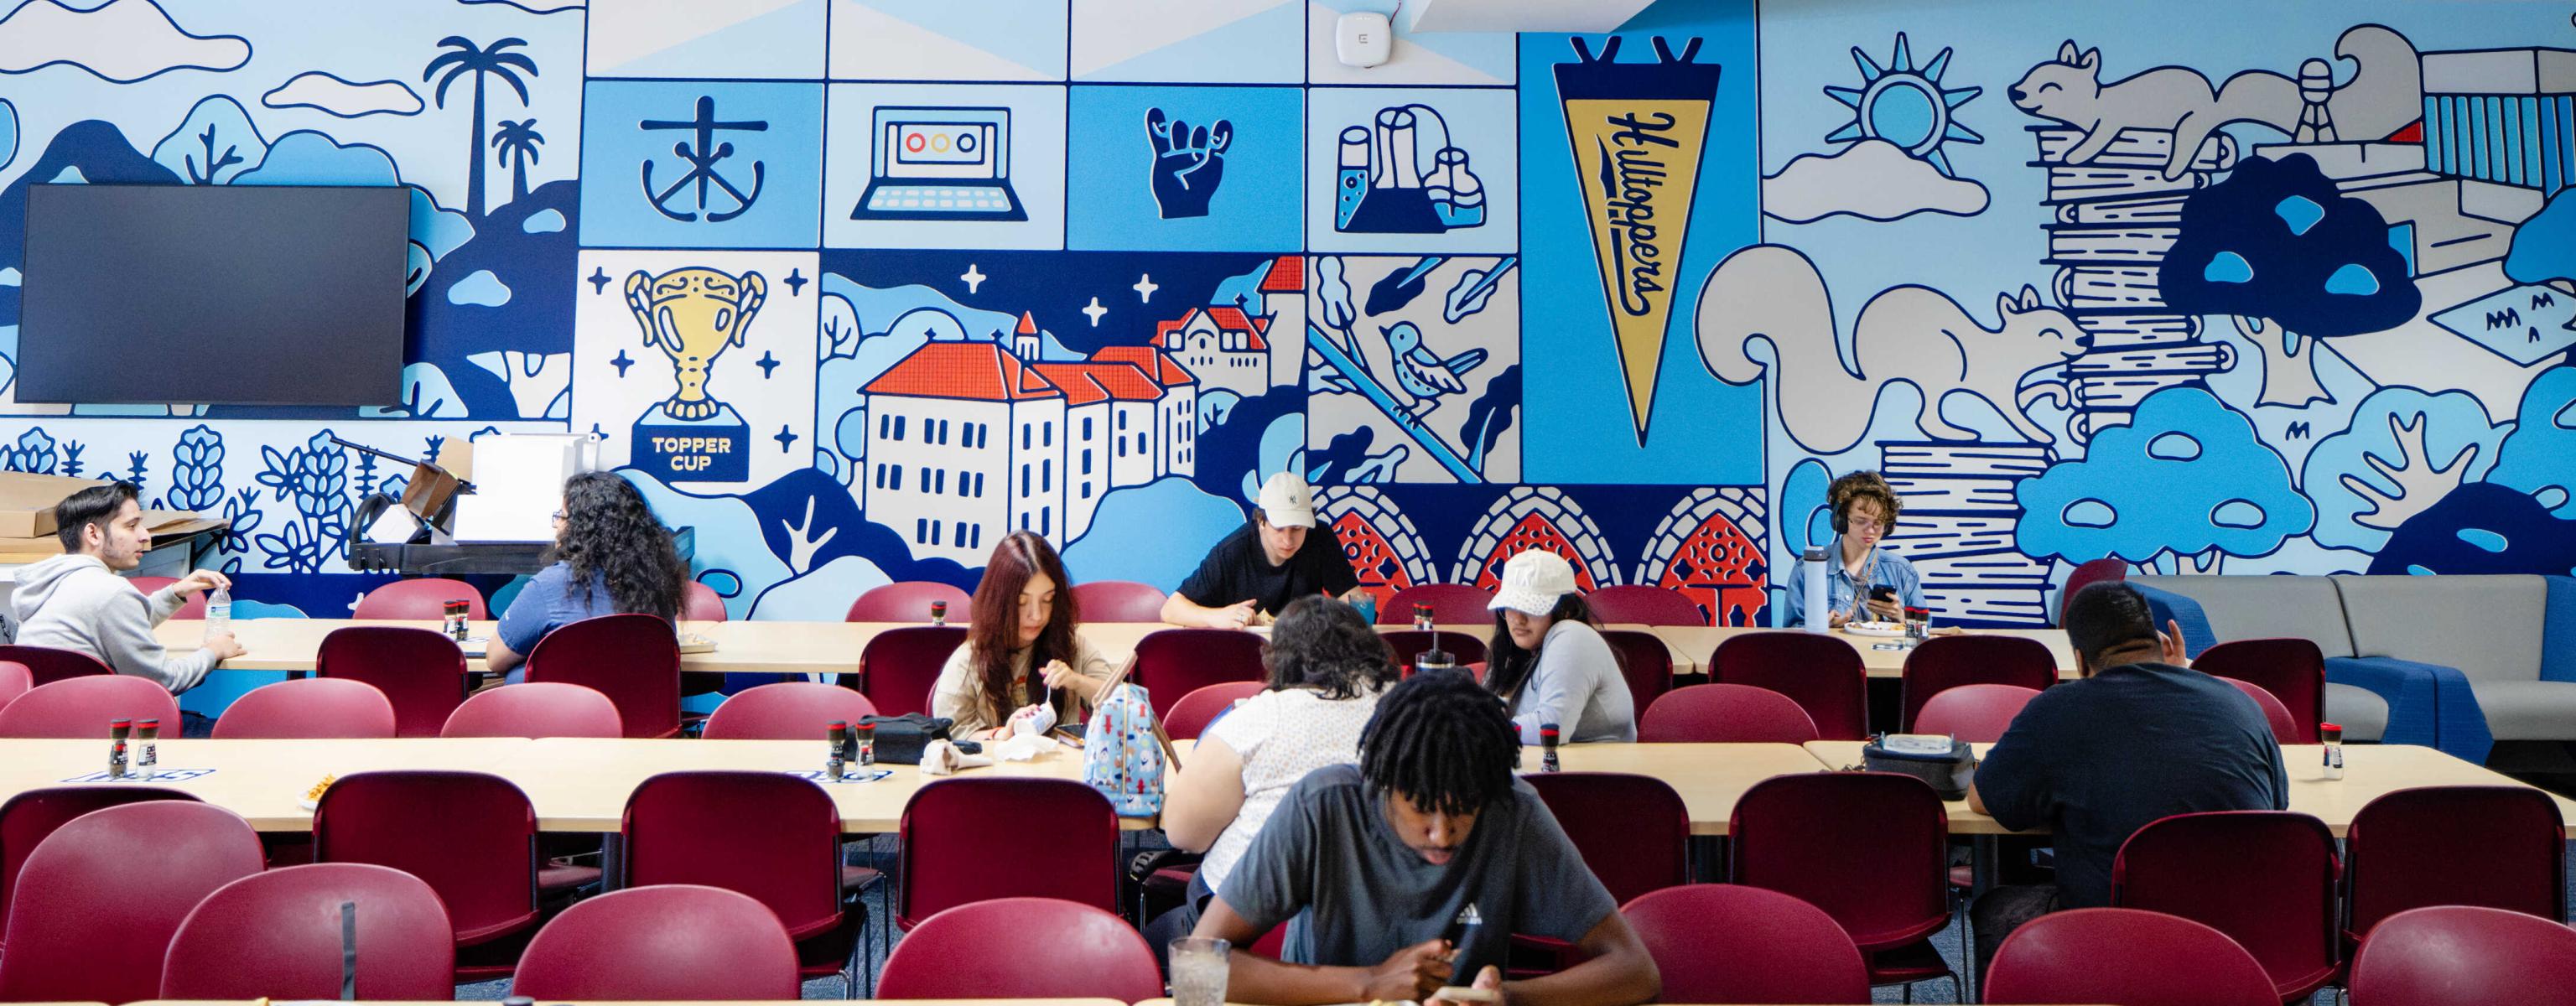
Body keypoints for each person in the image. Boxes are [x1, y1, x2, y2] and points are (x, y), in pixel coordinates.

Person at [1191, 670, 1661, 1006]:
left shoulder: (1512, 809)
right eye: (1420, 808)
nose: (1442, 833)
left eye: (1463, 810)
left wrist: (1506, 997)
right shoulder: (1323, 806)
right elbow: (1198, 967)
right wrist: (1372, 983)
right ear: (1381, 783)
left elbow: (1634, 970)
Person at [1964, 581, 2288, 978]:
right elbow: (2276, 805)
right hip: (2241, 935)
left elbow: (1983, 801)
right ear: (2160, 641)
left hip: (2114, 938)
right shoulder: (2239, 703)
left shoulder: (2060, 711)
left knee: (1995, 911)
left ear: (2081, 662)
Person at [1150, 595, 1397, 951]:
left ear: (1280, 658)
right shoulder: (1407, 707)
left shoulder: (1260, 717)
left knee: (1151, 941)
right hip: (1379, 925)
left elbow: (1183, 834)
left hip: (1244, 933)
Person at [12, 482, 242, 692]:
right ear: (93, 534)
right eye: (132, 526)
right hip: (96, 722)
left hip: (39, 720)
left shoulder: (53, 581)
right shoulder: (110, 591)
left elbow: (115, 624)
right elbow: (164, 682)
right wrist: (213, 651)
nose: (144, 535)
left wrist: (175, 592)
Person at [485, 471, 688, 677]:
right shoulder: (655, 582)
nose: (556, 525)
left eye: (562, 516)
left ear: (581, 528)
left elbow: (495, 659)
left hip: (562, 707)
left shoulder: (549, 585)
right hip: (642, 707)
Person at [931, 531, 1115, 738]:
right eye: (1021, 602)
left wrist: (1077, 681)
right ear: (999, 602)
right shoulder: (968, 661)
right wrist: (1002, 735)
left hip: (1058, 770)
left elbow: (1120, 705)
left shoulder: (1071, 646)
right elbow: (949, 736)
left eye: (1047, 600)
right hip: (993, 770)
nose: (1036, 615)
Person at [1162, 472, 1367, 629]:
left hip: (1303, 651)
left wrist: (1354, 613)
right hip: (1240, 650)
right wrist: (1218, 616)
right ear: (1261, 521)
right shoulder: (1234, 549)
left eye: (1297, 528)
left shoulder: (1320, 537)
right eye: (1279, 528)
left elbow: (1355, 603)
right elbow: (1170, 609)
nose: (1288, 539)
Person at [1484, 550, 1633, 744]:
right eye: (1511, 606)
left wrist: (1481, 727)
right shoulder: (1516, 652)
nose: (1518, 619)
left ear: (1566, 609)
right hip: (1550, 768)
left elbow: (1552, 728)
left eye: (1531, 608)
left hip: (1598, 771)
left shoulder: (1572, 635)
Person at [1783, 469, 1925, 628]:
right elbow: (1792, 637)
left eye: (1878, 522)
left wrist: (1901, 618)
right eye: (1860, 521)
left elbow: (1923, 636)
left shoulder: (1901, 570)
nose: (1870, 530)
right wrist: (1823, 629)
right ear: (1841, 520)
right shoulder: (1806, 570)